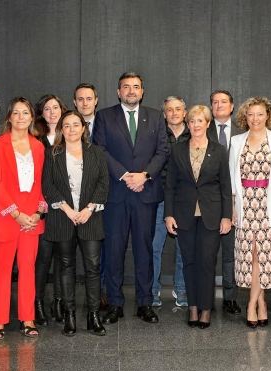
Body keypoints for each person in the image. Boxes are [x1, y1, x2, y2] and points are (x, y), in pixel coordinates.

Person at [93, 71, 168, 325]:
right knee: (113, 251)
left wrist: (144, 175)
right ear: (118, 92)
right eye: (126, 87)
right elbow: (100, 150)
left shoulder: (156, 117)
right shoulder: (104, 117)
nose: (131, 91)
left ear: (142, 91)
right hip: (116, 194)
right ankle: (115, 303)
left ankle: (145, 303)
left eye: (136, 86)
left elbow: (163, 150)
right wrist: (125, 176)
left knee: (144, 251)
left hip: (146, 194)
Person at [229, 97, 271, 328]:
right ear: (244, 117)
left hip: (270, 205)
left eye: (259, 114)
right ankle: (260, 304)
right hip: (246, 205)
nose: (255, 119)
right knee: (252, 257)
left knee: (263, 258)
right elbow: (231, 180)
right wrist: (233, 208)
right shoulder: (237, 142)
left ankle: (252, 305)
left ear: (268, 115)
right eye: (250, 114)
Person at [165, 105, 232, 328]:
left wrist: (226, 216)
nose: (195, 125)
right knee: (189, 262)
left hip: (211, 215)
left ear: (207, 123)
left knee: (206, 262)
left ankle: (206, 309)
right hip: (184, 214)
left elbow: (225, 186)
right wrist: (168, 215)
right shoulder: (177, 150)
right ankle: (192, 307)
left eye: (200, 121)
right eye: (192, 121)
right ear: (188, 124)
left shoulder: (219, 150)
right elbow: (170, 185)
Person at [42, 110, 108, 336]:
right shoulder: (52, 153)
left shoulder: (96, 152)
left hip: (91, 217)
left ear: (83, 127)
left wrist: (88, 209)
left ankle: (93, 316)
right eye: (66, 125)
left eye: (75, 125)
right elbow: (48, 186)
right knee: (66, 267)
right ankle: (69, 316)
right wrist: (69, 210)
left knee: (92, 268)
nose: (71, 129)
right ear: (62, 129)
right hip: (63, 218)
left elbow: (103, 184)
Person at [0, 96, 47, 339]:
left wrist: (38, 213)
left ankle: (27, 318)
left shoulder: (39, 146)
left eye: (26, 113)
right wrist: (15, 214)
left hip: (32, 217)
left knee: (28, 269)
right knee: (2, 269)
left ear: (32, 118)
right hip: (7, 216)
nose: (21, 117)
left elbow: (43, 183)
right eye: (17, 113)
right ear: (9, 116)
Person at [33, 94, 68, 326]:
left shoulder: (72, 137)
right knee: (43, 258)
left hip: (65, 208)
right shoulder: (34, 139)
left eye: (55, 107)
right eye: (47, 108)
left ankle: (59, 301)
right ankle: (36, 303)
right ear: (41, 114)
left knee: (63, 259)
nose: (52, 112)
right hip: (42, 207)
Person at [73, 83, 108, 310]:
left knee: (99, 250)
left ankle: (97, 294)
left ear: (96, 100)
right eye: (80, 99)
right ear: (75, 102)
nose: (85, 103)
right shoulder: (67, 126)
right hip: (72, 199)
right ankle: (67, 298)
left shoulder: (107, 123)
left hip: (100, 197)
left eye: (89, 99)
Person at [208, 90, 243, 315]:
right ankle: (206, 298)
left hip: (237, 202)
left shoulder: (244, 132)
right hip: (209, 202)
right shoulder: (201, 130)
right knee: (207, 254)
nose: (219, 105)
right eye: (215, 102)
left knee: (231, 254)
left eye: (224, 102)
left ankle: (230, 298)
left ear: (232, 107)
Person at [153, 96, 189, 307]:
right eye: (169, 110)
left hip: (185, 199)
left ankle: (182, 289)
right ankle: (153, 290)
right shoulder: (156, 135)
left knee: (183, 248)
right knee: (155, 246)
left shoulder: (194, 132)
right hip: (158, 197)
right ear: (163, 114)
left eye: (178, 109)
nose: (174, 113)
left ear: (185, 113)